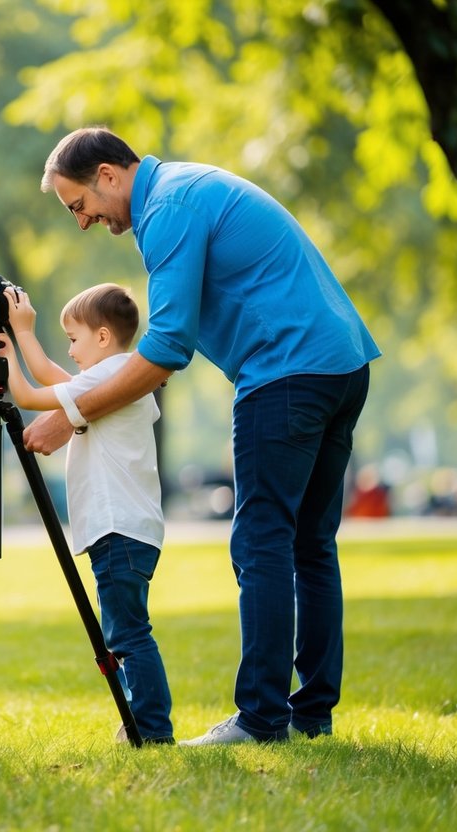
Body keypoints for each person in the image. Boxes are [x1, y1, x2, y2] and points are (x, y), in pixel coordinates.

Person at [25, 127, 380, 745]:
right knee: (310, 545)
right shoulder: (188, 187)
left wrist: (70, 415)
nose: (82, 221)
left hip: (286, 371)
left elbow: (165, 349)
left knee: (262, 542)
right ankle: (311, 713)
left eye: (78, 205)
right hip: (341, 365)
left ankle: (263, 719)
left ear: (109, 175)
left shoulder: (166, 210)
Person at [0, 282, 173, 744]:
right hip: (127, 530)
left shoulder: (111, 372)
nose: (70, 351)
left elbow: (31, 394)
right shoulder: (117, 374)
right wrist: (20, 337)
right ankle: (140, 719)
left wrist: (12, 341)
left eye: (74, 340)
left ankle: (153, 729)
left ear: (102, 337)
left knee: (128, 634)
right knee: (126, 630)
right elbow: (52, 376)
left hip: (118, 529)